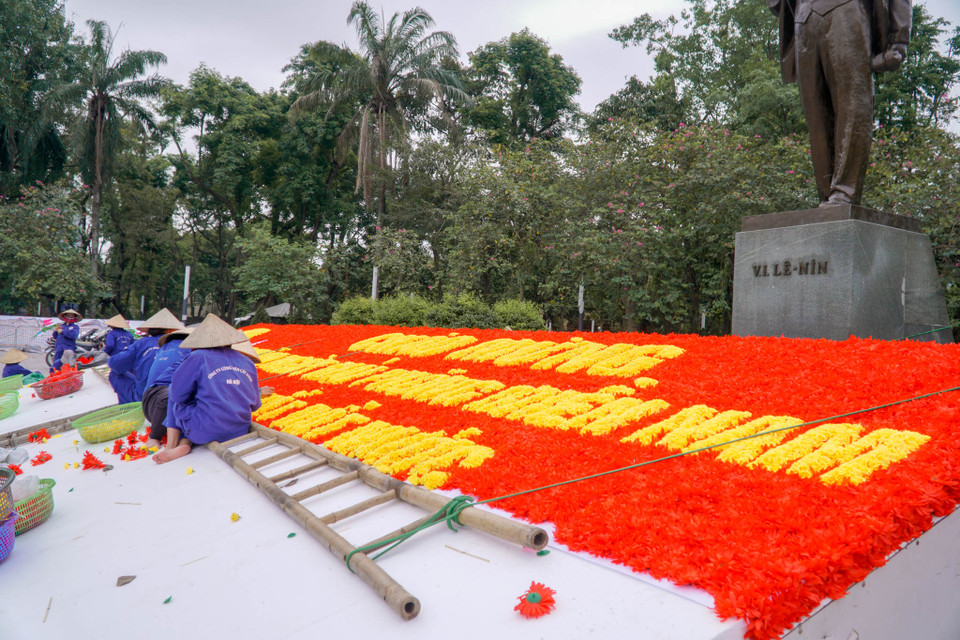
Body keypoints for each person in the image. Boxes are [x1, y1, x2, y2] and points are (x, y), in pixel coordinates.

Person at [769, 0, 911, 205]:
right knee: (816, 116)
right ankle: (827, 196)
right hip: (804, 21)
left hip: (847, 12)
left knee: (853, 105)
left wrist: (899, 41)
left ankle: (845, 191)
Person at [154, 314, 261, 464]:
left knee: (174, 391)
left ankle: (174, 445)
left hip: (206, 430)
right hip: (239, 429)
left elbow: (178, 396)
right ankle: (185, 443)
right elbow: (256, 404)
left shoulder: (198, 357)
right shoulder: (247, 361)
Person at [108, 308, 184, 401]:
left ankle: (127, 408)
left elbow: (114, 361)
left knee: (114, 373)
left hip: (146, 396)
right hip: (172, 396)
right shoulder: (184, 347)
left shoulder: (142, 343)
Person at [141, 327, 194, 450]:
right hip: (159, 401)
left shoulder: (164, 348)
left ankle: (184, 440)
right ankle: (155, 437)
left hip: (148, 400)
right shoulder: (190, 353)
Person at [102, 314, 137, 404]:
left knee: (117, 380)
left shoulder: (112, 333)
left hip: (117, 360)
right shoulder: (128, 334)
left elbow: (110, 345)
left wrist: (105, 353)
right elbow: (133, 347)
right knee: (129, 382)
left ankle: (122, 402)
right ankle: (131, 400)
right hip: (129, 360)